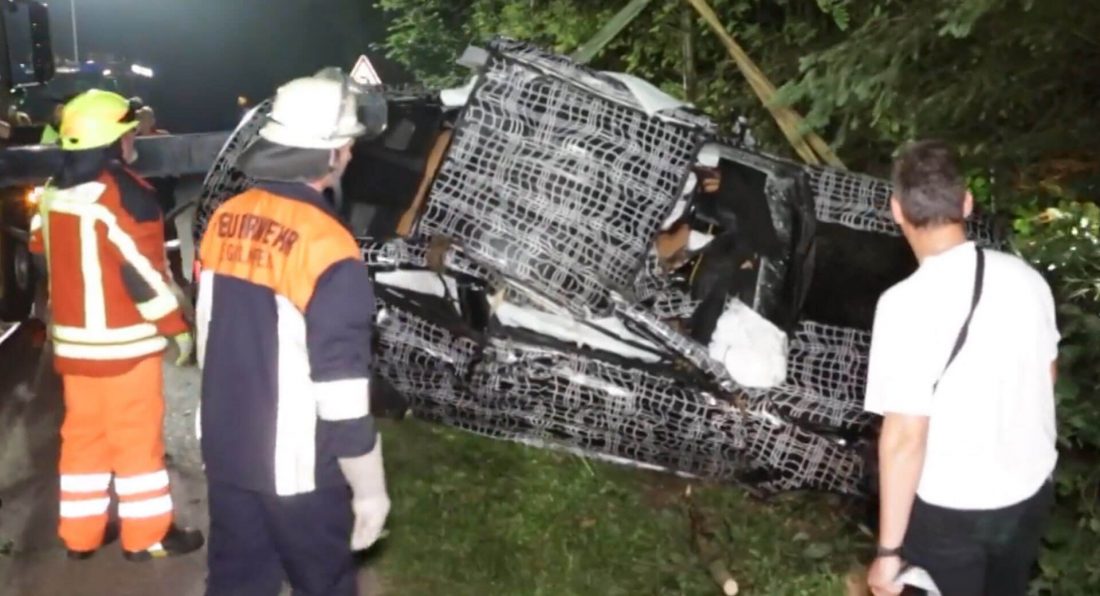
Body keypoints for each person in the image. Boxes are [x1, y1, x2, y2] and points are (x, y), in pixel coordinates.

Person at [195, 73, 389, 596]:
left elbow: (215, 329)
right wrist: (370, 489)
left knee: (236, 583)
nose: (351, 153)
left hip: (227, 448)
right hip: (300, 467)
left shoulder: (225, 217)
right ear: (331, 155)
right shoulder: (328, 244)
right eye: (347, 144)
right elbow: (341, 390)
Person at [864, 140, 1059, 596]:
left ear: (896, 210)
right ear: (966, 203)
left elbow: (905, 439)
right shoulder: (1028, 279)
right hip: (1028, 495)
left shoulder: (904, 305)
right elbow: (1047, 375)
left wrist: (888, 553)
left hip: (950, 513)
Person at [27, 89, 204, 561]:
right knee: (136, 441)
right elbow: (142, 272)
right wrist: (177, 327)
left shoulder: (52, 191)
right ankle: (146, 536)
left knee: (83, 439)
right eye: (128, 134)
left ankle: (80, 536)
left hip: (72, 346)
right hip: (125, 348)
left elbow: (39, 246)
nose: (133, 141)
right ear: (112, 141)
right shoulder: (124, 195)